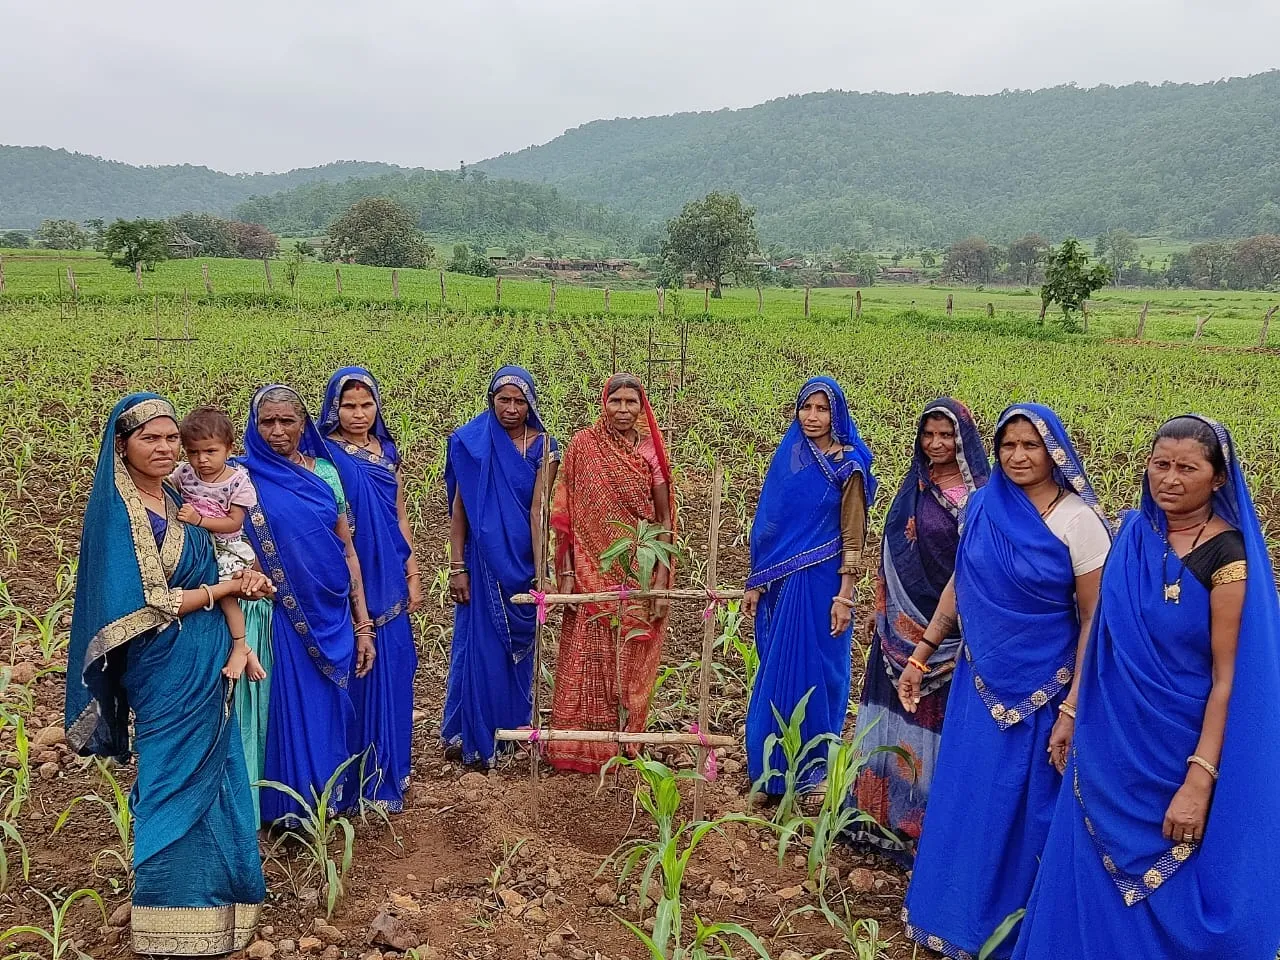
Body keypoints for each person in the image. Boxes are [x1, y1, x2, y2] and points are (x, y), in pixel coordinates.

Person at [1012, 416, 1280, 960]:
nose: (1171, 479)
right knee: (1086, 868)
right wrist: (1069, 711)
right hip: (1107, 739)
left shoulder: (1228, 560)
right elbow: (1103, 636)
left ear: (1219, 478)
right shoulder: (1133, 533)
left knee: (1167, 877)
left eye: (1188, 467)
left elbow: (1228, 680)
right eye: (1161, 464)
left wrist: (1199, 780)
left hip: (1173, 750)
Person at [898, 404, 1111, 959]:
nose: (1018, 457)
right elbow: (958, 587)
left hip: (1047, 690)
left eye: (1030, 446)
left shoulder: (1077, 523)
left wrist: (1071, 708)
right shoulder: (983, 507)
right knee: (968, 794)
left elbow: (1095, 618)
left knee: (1025, 808)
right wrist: (921, 655)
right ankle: (949, 915)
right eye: (1009, 446)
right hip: (980, 682)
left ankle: (1015, 931)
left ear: (1055, 454)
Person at [66, 393, 271, 956]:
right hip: (164, 665)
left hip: (209, 656)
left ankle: (224, 907)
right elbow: (151, 603)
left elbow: (222, 549)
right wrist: (227, 590)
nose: (163, 449)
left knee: (221, 770)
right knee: (169, 779)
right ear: (121, 445)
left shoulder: (183, 494)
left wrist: (242, 594)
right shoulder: (118, 512)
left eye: (169, 439)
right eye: (148, 439)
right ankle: (167, 918)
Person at [849, 399, 989, 861]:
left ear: (963, 439)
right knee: (892, 715)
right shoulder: (915, 486)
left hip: (953, 630)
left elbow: (980, 567)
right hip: (899, 627)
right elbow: (892, 550)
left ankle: (927, 824)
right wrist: (879, 606)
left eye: (946, 436)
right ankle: (878, 815)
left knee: (939, 722)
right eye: (928, 435)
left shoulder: (983, 496)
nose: (936, 444)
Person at [241, 385, 376, 824]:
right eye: (268, 422)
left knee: (326, 710)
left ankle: (325, 801)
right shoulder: (241, 478)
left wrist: (363, 624)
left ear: (304, 425)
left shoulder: (324, 474)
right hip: (279, 615)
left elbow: (347, 549)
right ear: (254, 426)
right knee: (283, 711)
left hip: (331, 612)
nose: (278, 431)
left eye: (287, 421)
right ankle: (285, 810)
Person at [743, 377, 876, 803]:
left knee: (822, 671)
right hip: (781, 583)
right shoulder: (792, 460)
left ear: (836, 414)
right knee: (778, 667)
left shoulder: (849, 464)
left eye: (822, 409)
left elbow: (853, 533)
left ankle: (813, 772)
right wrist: (756, 582)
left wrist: (846, 593)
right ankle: (769, 772)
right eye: (806, 408)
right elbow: (769, 526)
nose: (813, 417)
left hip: (824, 583)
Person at [546, 372, 676, 774]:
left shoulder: (652, 451)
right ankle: (580, 747)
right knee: (587, 648)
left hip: (636, 565)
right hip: (588, 565)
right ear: (604, 404)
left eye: (631, 403)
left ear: (642, 408)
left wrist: (658, 580)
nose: (623, 410)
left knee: (631, 654)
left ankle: (624, 740)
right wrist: (566, 571)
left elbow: (663, 519)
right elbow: (565, 515)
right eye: (615, 401)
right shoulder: (584, 447)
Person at [442, 366, 558, 767]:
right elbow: (459, 509)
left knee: (517, 655)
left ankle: (512, 732)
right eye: (503, 400)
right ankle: (477, 740)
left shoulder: (543, 446)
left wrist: (543, 571)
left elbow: (539, 509)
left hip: (521, 562)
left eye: (519, 401)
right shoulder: (470, 443)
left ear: (531, 404)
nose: (510, 408)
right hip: (482, 562)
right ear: (491, 400)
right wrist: (458, 566)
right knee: (481, 650)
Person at [319, 367, 421, 812]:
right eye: (349, 405)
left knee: (397, 665)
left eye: (366, 405)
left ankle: (390, 772)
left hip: (389, 572)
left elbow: (399, 514)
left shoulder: (387, 451)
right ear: (333, 408)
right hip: (347, 571)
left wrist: (412, 569)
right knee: (357, 669)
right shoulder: (324, 454)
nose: (358, 414)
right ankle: (352, 778)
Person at [171, 405, 274, 822]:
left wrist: (198, 518)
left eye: (210, 451)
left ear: (229, 449)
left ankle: (241, 646)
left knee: (227, 592)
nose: (201, 460)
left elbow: (234, 524)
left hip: (227, 548)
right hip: (198, 549)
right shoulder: (183, 475)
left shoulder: (238, 480)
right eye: (193, 452)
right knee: (215, 589)